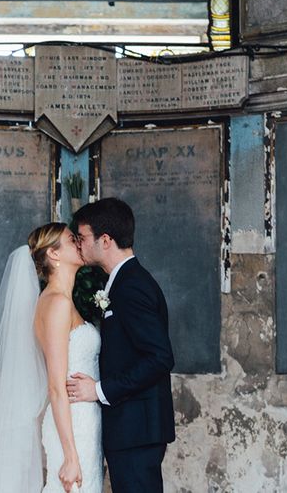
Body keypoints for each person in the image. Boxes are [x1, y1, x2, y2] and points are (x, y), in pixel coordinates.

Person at [0, 223, 103, 493]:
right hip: (72, 426)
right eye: (71, 240)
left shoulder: (62, 301)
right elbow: (56, 387)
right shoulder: (56, 303)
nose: (79, 243)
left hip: (84, 422)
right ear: (54, 255)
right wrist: (70, 455)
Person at [67, 198, 175, 493]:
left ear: (105, 240)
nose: (79, 244)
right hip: (130, 429)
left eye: (82, 238)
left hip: (136, 430)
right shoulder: (120, 281)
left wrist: (99, 390)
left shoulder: (132, 286)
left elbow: (160, 357)